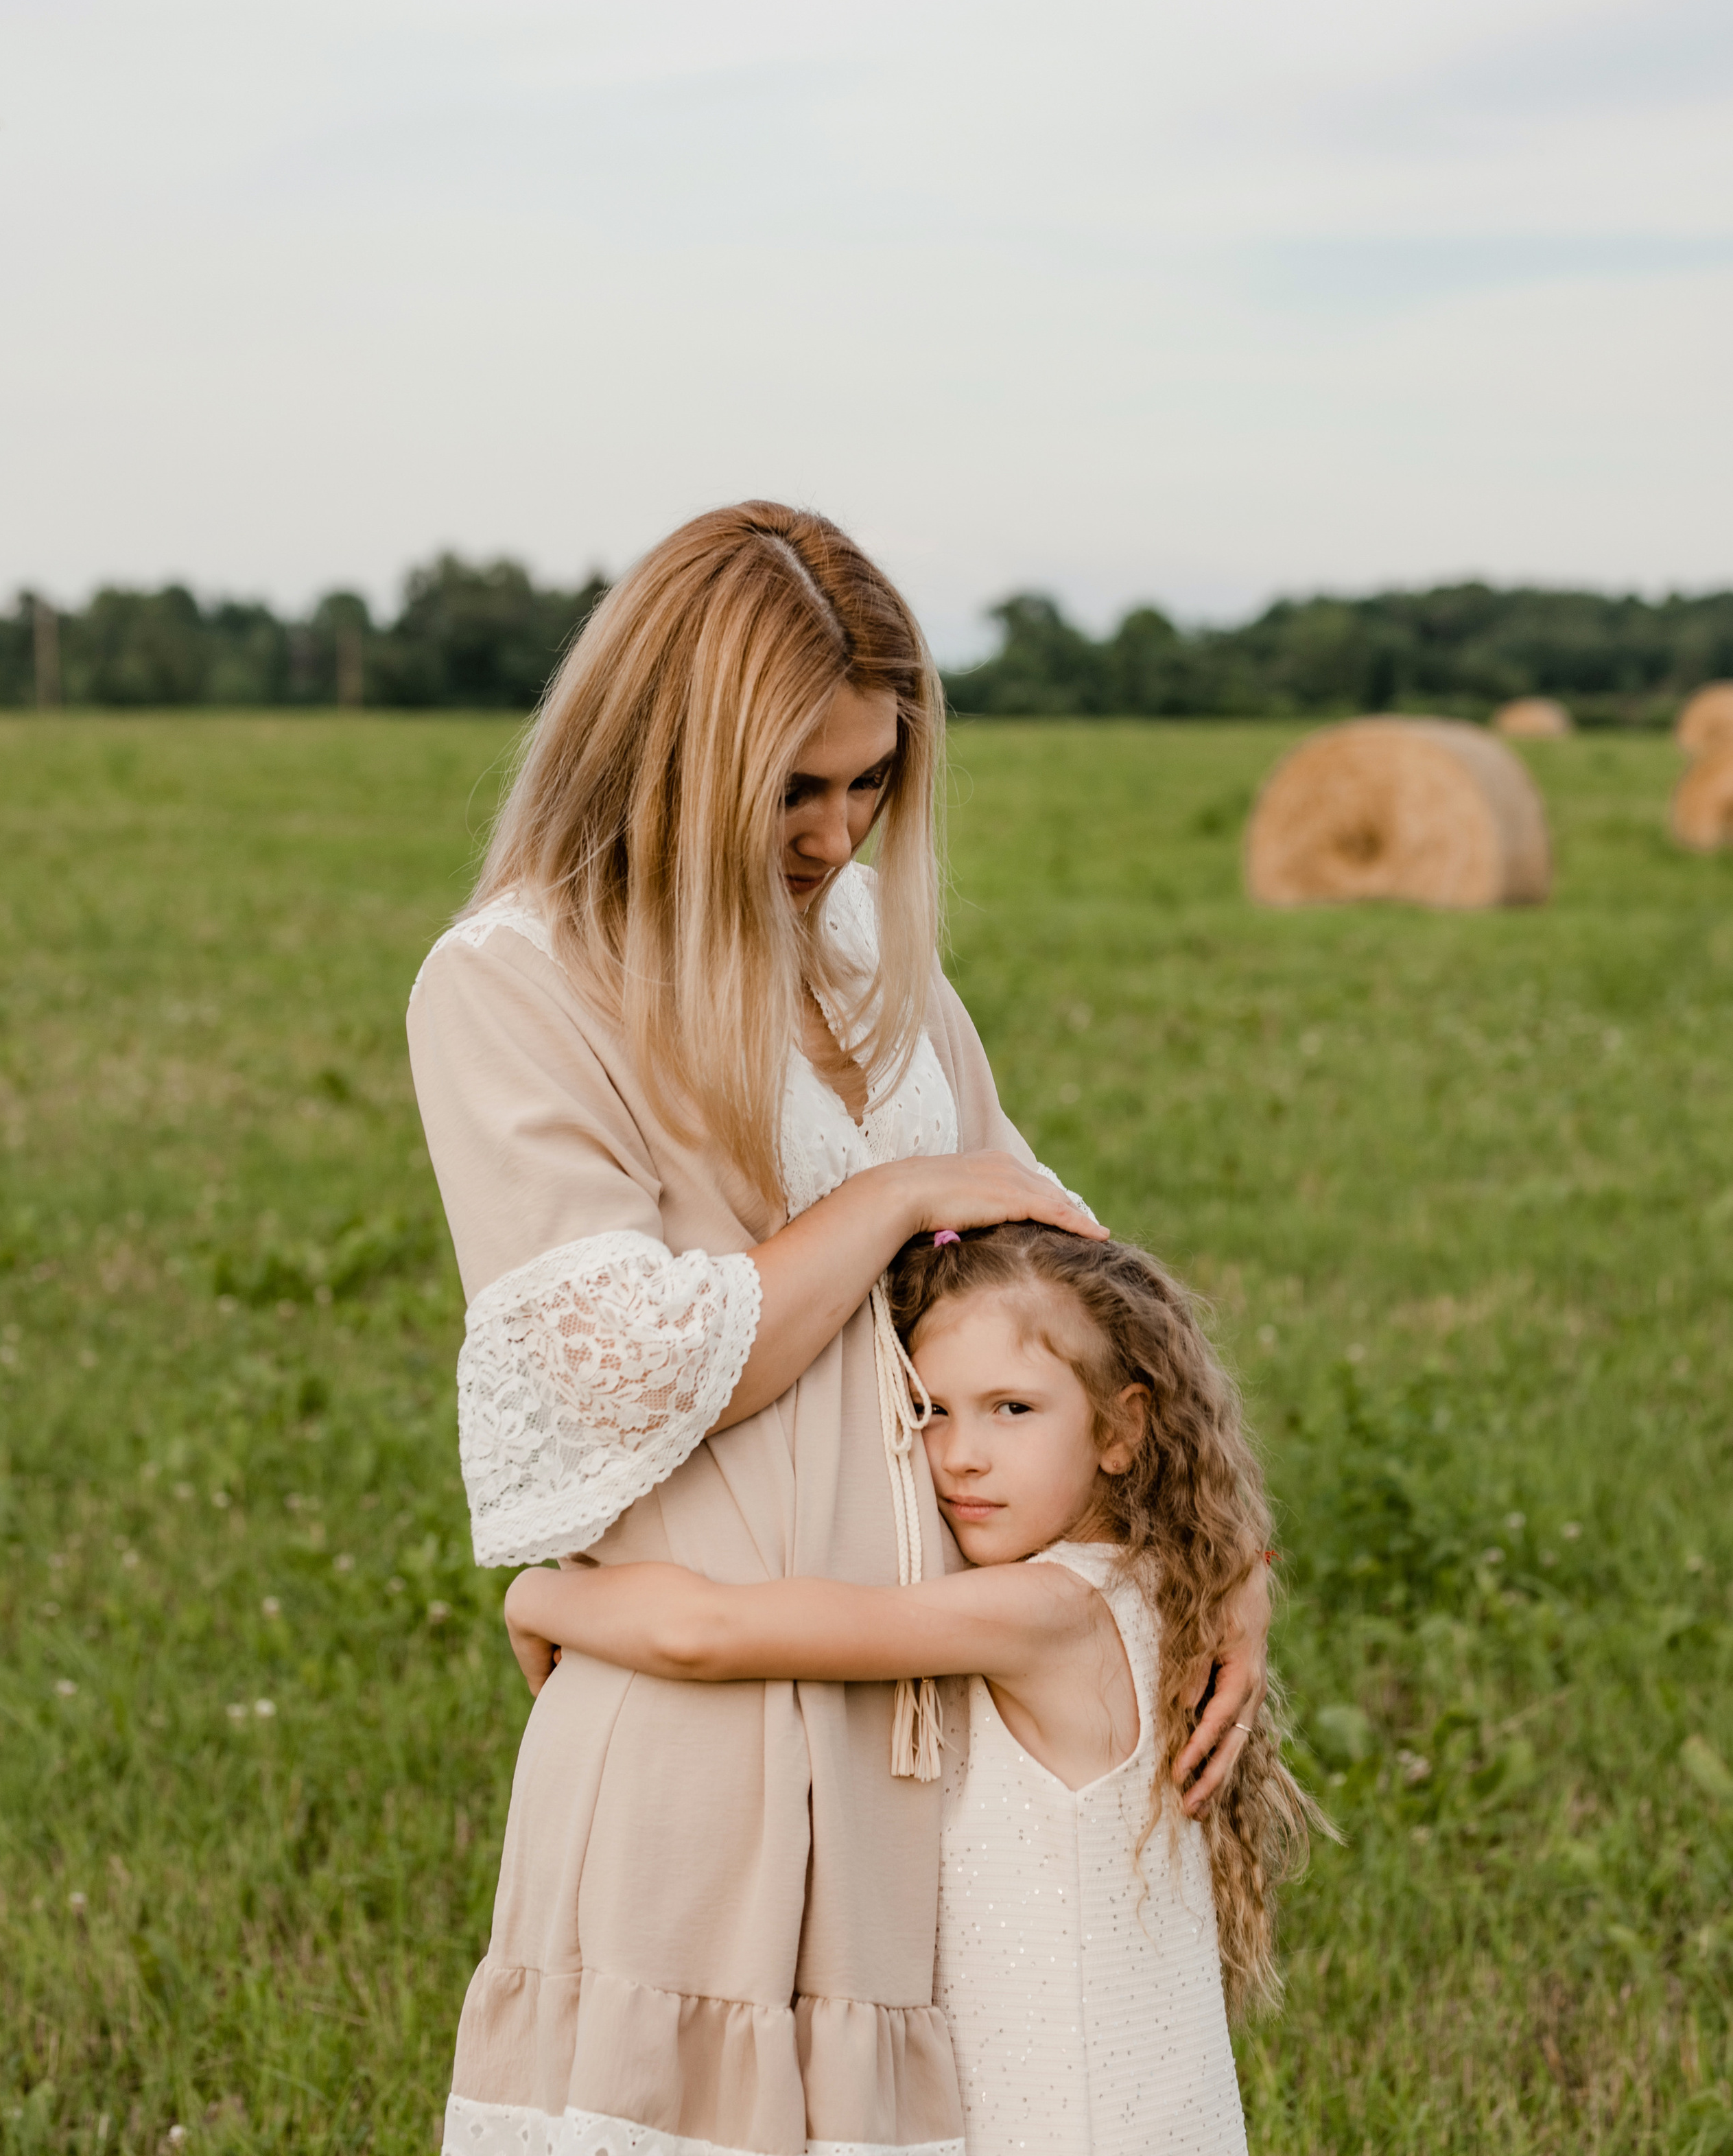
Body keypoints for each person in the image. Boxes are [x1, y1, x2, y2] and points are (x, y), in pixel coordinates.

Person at [408, 502, 1272, 2156]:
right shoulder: (515, 983)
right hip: (718, 1680)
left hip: (925, 1694)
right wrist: (882, 1202)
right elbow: (627, 1364)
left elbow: (1060, 1284)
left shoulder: (864, 941)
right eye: (791, 789)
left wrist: (1217, 1545)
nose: (834, 835)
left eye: (868, 783)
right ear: (665, 754)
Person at [503, 1222, 1317, 2156]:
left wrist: (541, 1595)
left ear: (1123, 1430)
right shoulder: (1156, 1579)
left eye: (1013, 1409)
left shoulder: (1047, 1612)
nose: (962, 1453)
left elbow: (708, 1634)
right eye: (931, 1411)